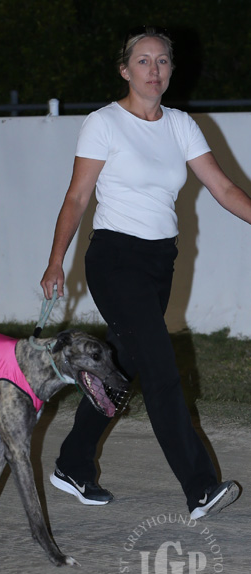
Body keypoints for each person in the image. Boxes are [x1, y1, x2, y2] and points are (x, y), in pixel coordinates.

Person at [40, 26, 251, 520]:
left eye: (162, 61)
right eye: (143, 60)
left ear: (171, 70)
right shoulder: (103, 123)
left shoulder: (180, 125)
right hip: (115, 260)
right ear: (124, 70)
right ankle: (200, 487)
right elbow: (77, 197)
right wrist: (55, 260)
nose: (154, 70)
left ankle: (73, 464)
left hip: (160, 262)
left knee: (122, 367)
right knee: (160, 370)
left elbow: (223, 188)